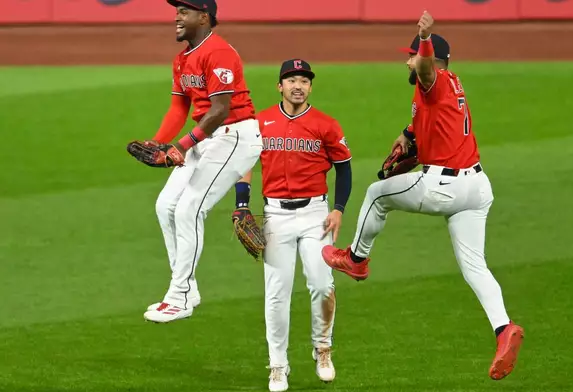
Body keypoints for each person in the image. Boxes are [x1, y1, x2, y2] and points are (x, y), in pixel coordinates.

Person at [320, 11, 524, 381]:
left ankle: (356, 259)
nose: (407, 61)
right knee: (474, 266)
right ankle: (503, 328)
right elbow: (424, 123)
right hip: (476, 189)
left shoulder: (435, 79)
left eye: (411, 55)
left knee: (376, 194)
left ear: (430, 59)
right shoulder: (449, 87)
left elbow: (427, 70)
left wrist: (425, 38)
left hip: (443, 186)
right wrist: (407, 138)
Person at [234, 59, 352, 392]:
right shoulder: (261, 122)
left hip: (316, 214)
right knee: (276, 294)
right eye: (291, 80)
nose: (297, 85)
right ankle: (277, 366)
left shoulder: (326, 124)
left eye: (303, 80)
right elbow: (245, 164)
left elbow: (344, 168)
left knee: (322, 283)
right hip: (276, 217)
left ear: (310, 87)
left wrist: (339, 209)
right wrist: (242, 205)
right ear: (279, 86)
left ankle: (323, 348)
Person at [143, 0, 262, 323]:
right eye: (177, 10)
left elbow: (221, 109)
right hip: (207, 137)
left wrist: (181, 145)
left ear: (204, 17)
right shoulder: (182, 60)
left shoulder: (219, 53)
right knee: (166, 205)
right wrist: (158, 143)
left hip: (235, 136)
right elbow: (179, 109)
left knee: (189, 209)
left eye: (184, 11)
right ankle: (187, 287)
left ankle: (178, 296)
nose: (176, 17)